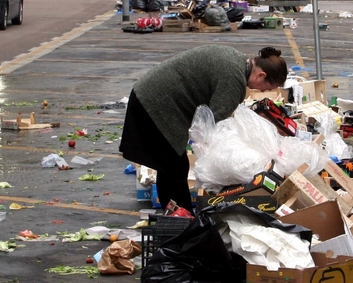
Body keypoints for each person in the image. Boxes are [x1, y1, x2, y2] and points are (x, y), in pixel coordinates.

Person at [120, 45, 288, 211]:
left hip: (150, 96)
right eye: (268, 87)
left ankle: (175, 215)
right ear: (261, 75)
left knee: (170, 166)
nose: (264, 91)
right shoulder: (234, 79)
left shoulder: (237, 60)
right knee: (174, 169)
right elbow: (215, 125)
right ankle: (182, 220)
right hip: (155, 105)